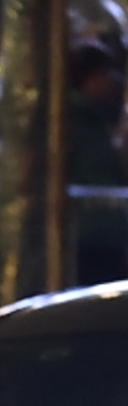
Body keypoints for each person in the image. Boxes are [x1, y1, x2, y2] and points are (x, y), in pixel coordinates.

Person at [67, 39, 128, 285]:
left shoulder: (98, 118)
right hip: (90, 235)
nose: (111, 80)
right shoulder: (75, 121)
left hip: (105, 233)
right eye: (105, 74)